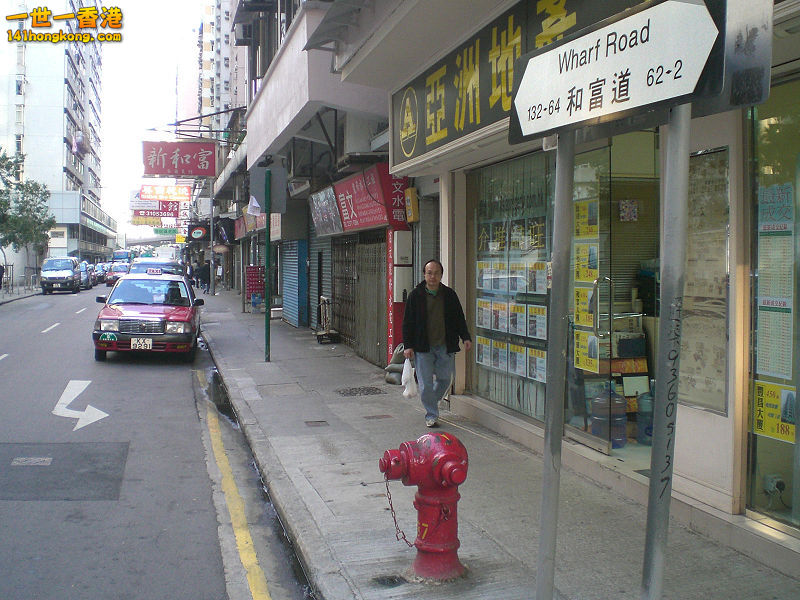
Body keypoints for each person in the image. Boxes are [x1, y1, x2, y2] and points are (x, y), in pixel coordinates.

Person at [402, 259, 472, 427]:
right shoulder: (415, 296)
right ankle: (431, 414)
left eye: (436, 273)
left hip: (445, 345)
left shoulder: (449, 295)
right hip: (423, 347)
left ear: (441, 275)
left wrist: (465, 337)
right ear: (424, 275)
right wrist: (408, 345)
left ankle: (431, 401)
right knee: (425, 384)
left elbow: (459, 318)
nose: (432, 276)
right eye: (429, 273)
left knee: (445, 379)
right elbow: (408, 322)